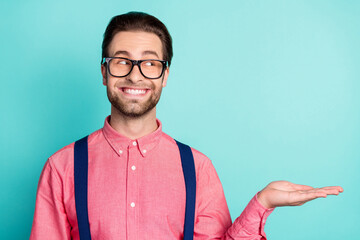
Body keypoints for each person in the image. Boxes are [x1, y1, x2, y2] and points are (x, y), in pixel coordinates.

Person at [30, 12, 343, 240]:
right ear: (104, 72)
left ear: (165, 76)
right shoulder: (62, 167)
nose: (135, 75)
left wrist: (261, 204)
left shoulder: (198, 168)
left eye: (150, 63)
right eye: (122, 61)